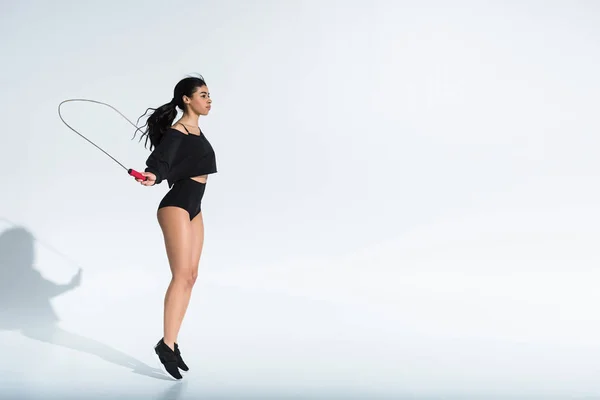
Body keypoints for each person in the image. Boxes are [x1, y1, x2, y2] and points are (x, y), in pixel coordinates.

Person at [133, 75, 217, 380]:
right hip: (177, 205)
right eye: (203, 95)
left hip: (195, 207)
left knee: (191, 276)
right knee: (181, 275)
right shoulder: (178, 131)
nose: (209, 100)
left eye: (210, 96)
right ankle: (166, 344)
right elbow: (161, 161)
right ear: (186, 98)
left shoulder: (196, 130)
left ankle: (172, 341)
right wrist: (152, 175)